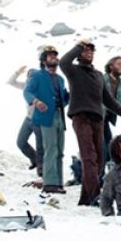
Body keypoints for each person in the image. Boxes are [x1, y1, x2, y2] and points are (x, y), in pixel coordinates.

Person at [60, 40, 121, 206]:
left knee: (100, 160)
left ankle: (86, 199)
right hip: (81, 117)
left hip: (97, 120)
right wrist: (79, 46)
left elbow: (108, 100)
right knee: (89, 158)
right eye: (85, 50)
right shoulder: (73, 71)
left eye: (91, 51)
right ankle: (95, 196)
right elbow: (63, 62)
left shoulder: (97, 76)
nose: (89, 52)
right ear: (80, 54)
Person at [23, 47, 70, 193]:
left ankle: (59, 183)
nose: (54, 58)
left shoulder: (61, 79)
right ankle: (49, 183)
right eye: (50, 56)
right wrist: (36, 102)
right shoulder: (37, 76)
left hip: (59, 116)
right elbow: (27, 91)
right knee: (51, 149)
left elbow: (64, 98)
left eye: (55, 56)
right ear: (44, 60)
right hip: (45, 117)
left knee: (60, 150)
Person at [7, 65, 44, 175]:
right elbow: (11, 82)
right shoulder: (26, 86)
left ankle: (42, 169)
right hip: (28, 119)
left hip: (39, 120)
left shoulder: (42, 88)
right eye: (28, 77)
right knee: (21, 142)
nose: (30, 79)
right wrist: (18, 72)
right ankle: (34, 159)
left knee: (41, 146)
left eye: (32, 77)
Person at [101, 56, 121, 173]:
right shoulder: (102, 79)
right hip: (98, 116)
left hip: (107, 119)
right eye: (119, 64)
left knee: (109, 145)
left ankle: (108, 172)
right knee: (103, 146)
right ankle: (100, 176)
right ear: (111, 66)